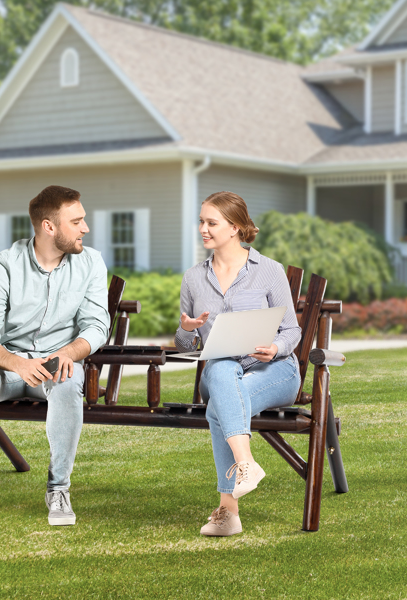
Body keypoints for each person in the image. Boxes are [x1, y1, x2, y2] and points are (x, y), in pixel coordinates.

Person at [0, 185, 110, 533]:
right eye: (77, 221)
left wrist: (68, 352)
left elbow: (97, 324)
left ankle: (58, 491)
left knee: (70, 379)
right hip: (8, 369)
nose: (85, 228)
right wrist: (18, 363)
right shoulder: (5, 265)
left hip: (57, 365)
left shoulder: (90, 263)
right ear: (48, 226)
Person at [174, 191, 301, 537]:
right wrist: (186, 330)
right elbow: (185, 344)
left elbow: (292, 330)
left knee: (220, 403)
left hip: (274, 371)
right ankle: (245, 465)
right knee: (220, 371)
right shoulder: (193, 278)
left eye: (211, 223)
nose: (203, 228)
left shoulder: (269, 271)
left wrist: (275, 348)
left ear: (235, 227)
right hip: (222, 370)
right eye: (201, 221)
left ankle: (228, 512)